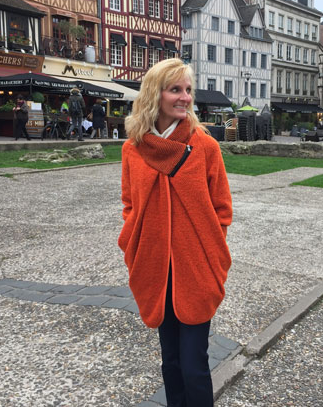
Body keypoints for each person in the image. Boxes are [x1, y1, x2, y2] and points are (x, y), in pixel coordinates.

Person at [118, 58, 233, 407]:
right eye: (176, 90)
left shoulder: (205, 147)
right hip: (155, 268)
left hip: (195, 269)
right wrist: (133, 242)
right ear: (156, 94)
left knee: (193, 364)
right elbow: (128, 203)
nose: (185, 97)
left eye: (188, 90)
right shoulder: (133, 149)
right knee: (170, 362)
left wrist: (209, 250)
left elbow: (222, 209)